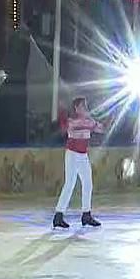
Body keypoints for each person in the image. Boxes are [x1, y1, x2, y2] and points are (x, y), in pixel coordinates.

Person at [53, 97, 105, 229]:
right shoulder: (73, 121)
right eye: (82, 106)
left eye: (85, 105)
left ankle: (86, 215)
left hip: (83, 155)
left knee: (88, 183)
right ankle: (58, 215)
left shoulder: (87, 120)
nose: (85, 108)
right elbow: (67, 127)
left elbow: (101, 129)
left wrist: (94, 121)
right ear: (76, 108)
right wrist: (90, 122)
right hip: (72, 154)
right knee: (69, 184)